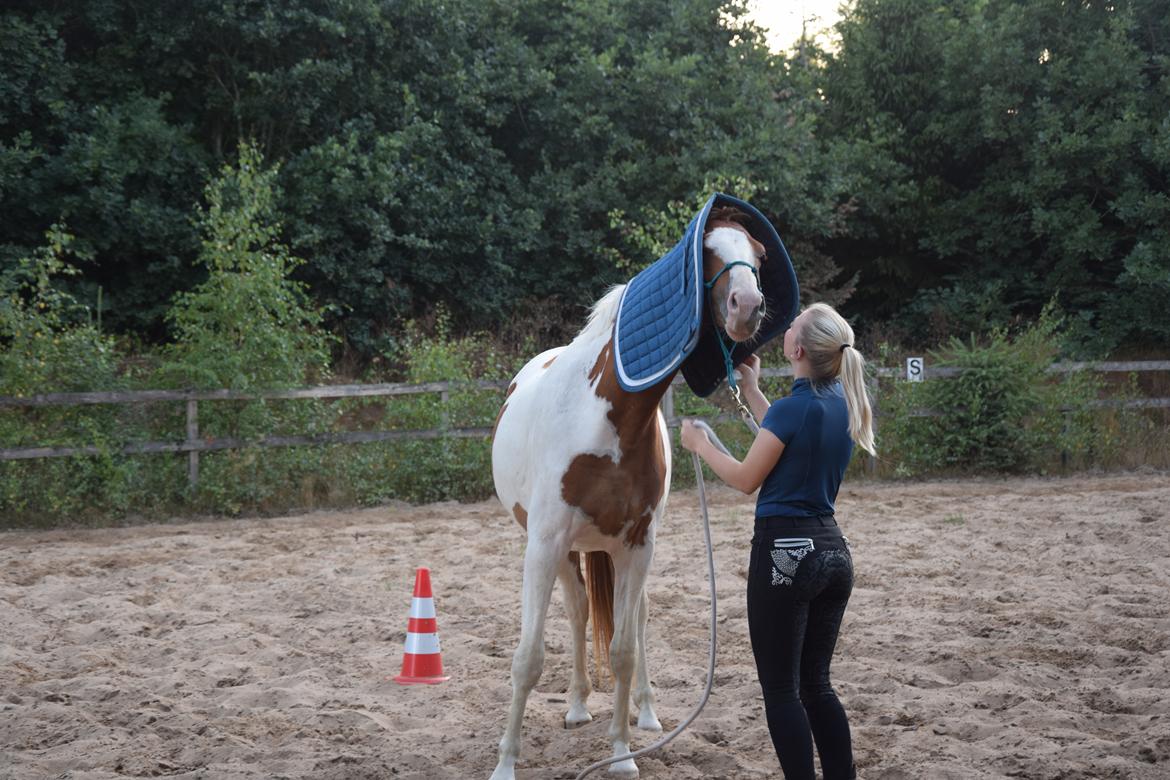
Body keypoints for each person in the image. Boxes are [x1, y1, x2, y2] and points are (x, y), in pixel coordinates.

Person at [680, 302, 875, 780]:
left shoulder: (795, 410)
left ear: (798, 349)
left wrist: (702, 446)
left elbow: (747, 478)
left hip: (786, 556)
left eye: (791, 326)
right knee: (817, 685)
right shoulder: (842, 403)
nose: (784, 329)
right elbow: (787, 436)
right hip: (834, 554)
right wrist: (753, 391)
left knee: (782, 691)